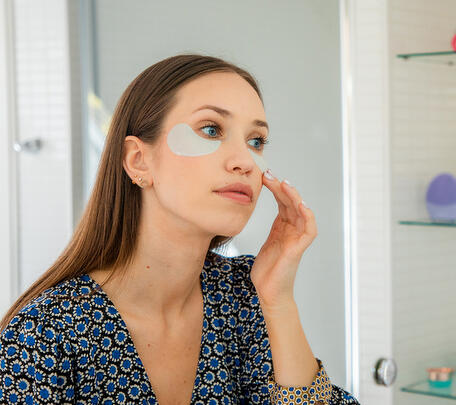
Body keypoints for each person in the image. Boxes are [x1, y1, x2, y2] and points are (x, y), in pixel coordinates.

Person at [0, 54, 360, 404]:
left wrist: (278, 301)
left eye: (256, 141)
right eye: (210, 129)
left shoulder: (243, 296)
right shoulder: (42, 334)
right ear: (138, 160)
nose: (246, 162)